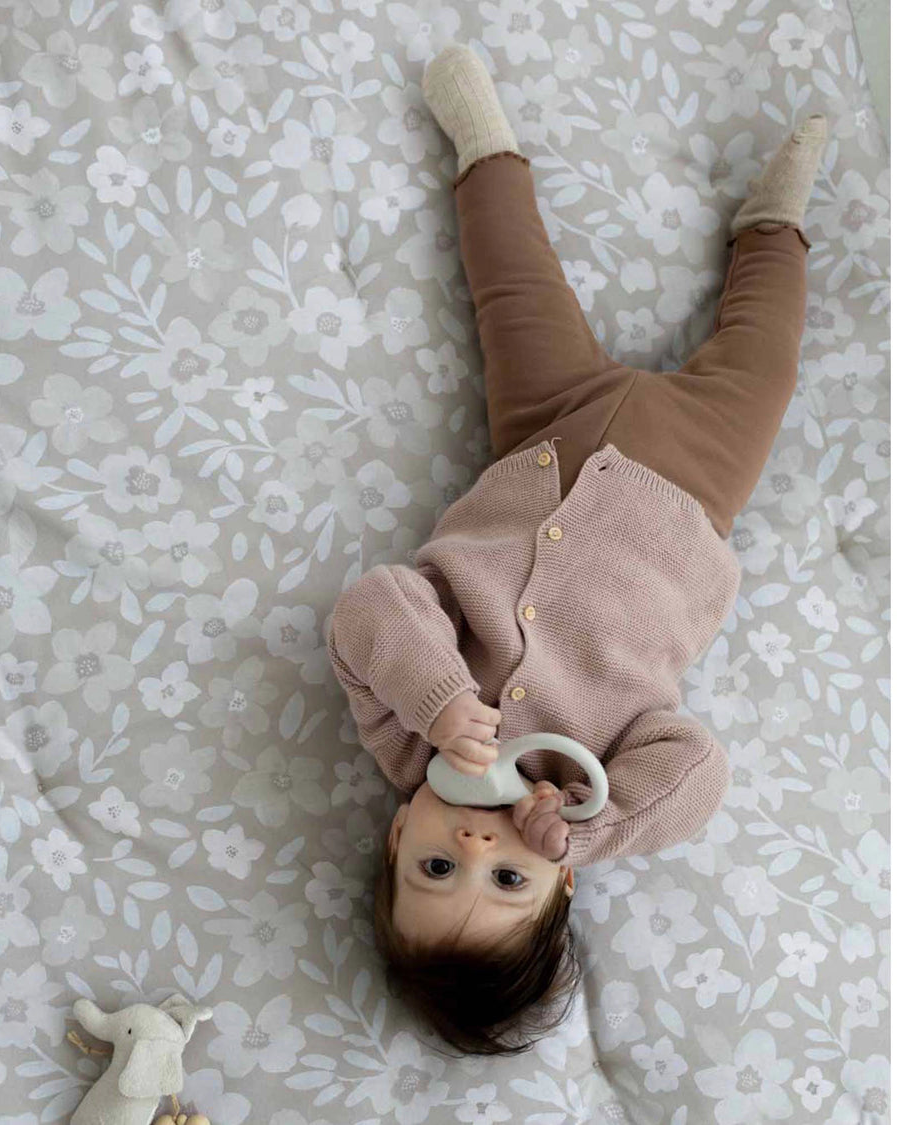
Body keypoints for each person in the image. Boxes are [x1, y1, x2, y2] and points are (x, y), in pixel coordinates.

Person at [327, 43, 827, 1056]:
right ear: (558, 879)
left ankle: (487, 149)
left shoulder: (406, 740)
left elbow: (372, 609)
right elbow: (698, 769)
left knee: (511, 286)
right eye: (507, 880)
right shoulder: (593, 779)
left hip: (543, 439)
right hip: (695, 486)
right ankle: (775, 228)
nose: (476, 844)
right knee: (767, 355)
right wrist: (595, 827)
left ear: (395, 835)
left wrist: (441, 699)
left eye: (435, 868)